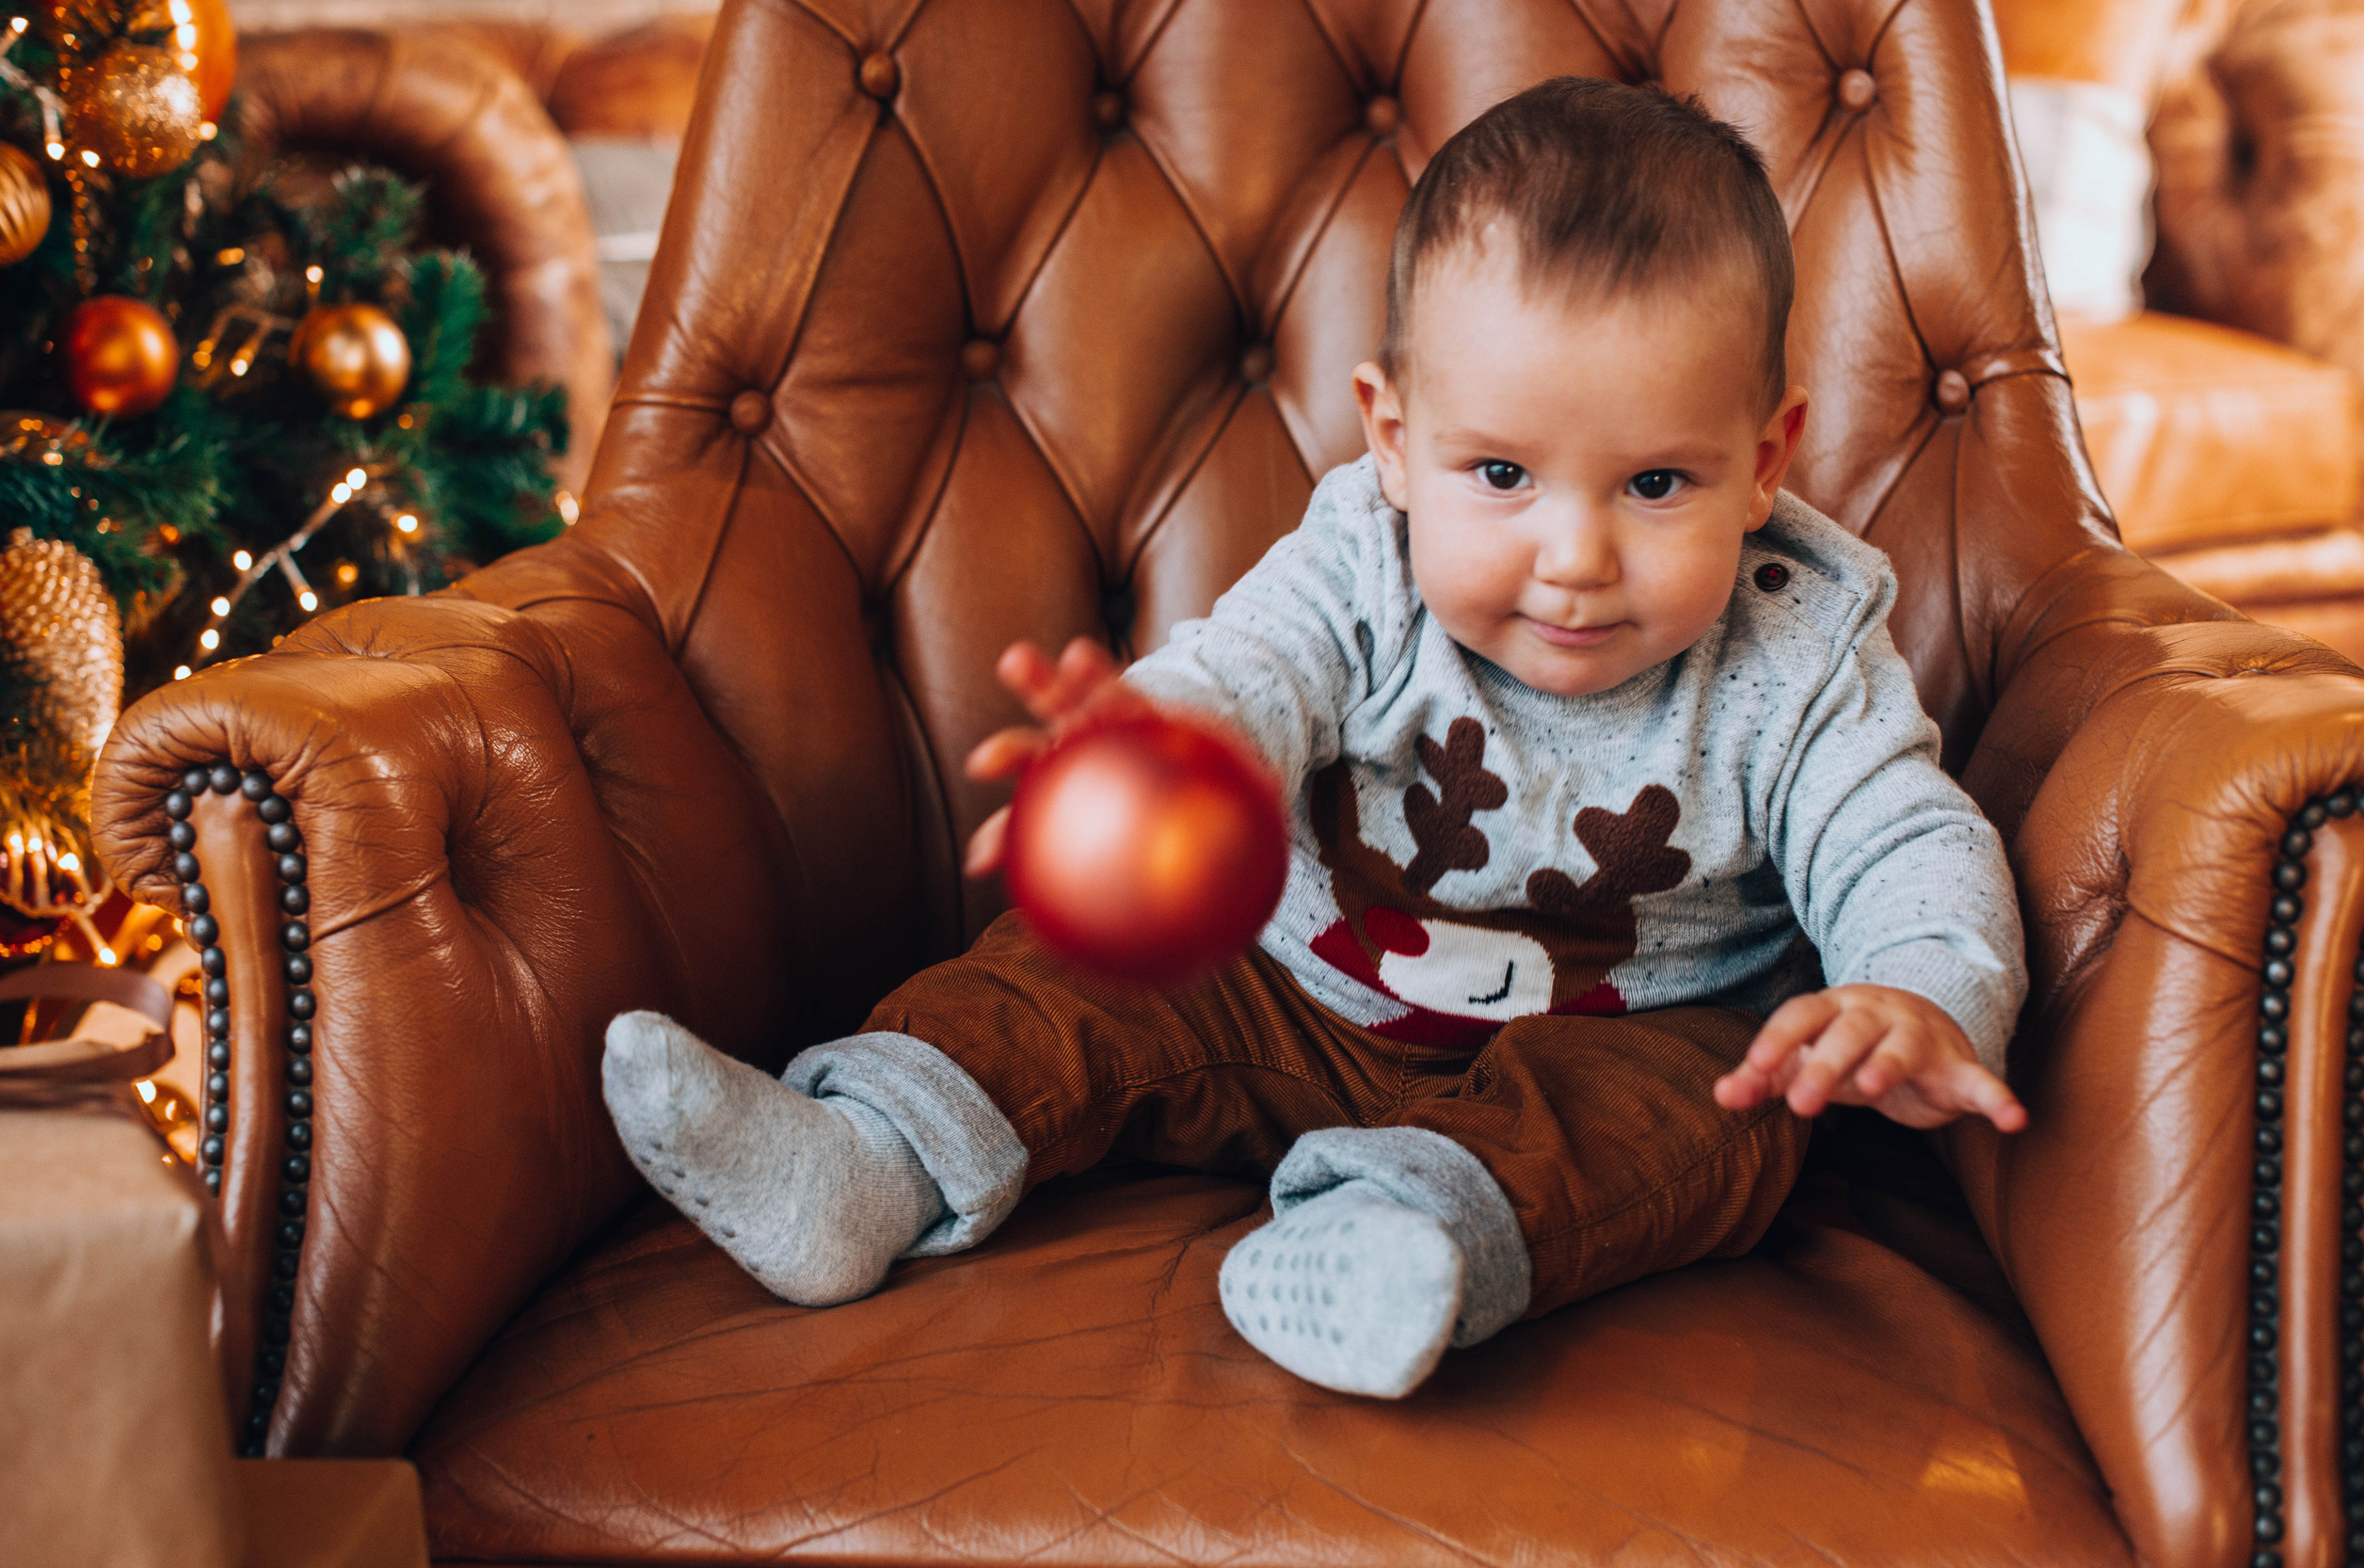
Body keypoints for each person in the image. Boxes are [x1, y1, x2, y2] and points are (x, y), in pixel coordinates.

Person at [599, 75, 2029, 1400]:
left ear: (1765, 461)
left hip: (1619, 1044)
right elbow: (1246, 678)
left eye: (1657, 481)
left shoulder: (1798, 644)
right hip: (1286, 991)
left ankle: (1399, 1241)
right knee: (1076, 970)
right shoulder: (1361, 558)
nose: (1575, 554)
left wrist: (1918, 987)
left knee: (1720, 1116)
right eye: (1503, 473)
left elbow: (1902, 834)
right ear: (1394, 440)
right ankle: (863, 1159)